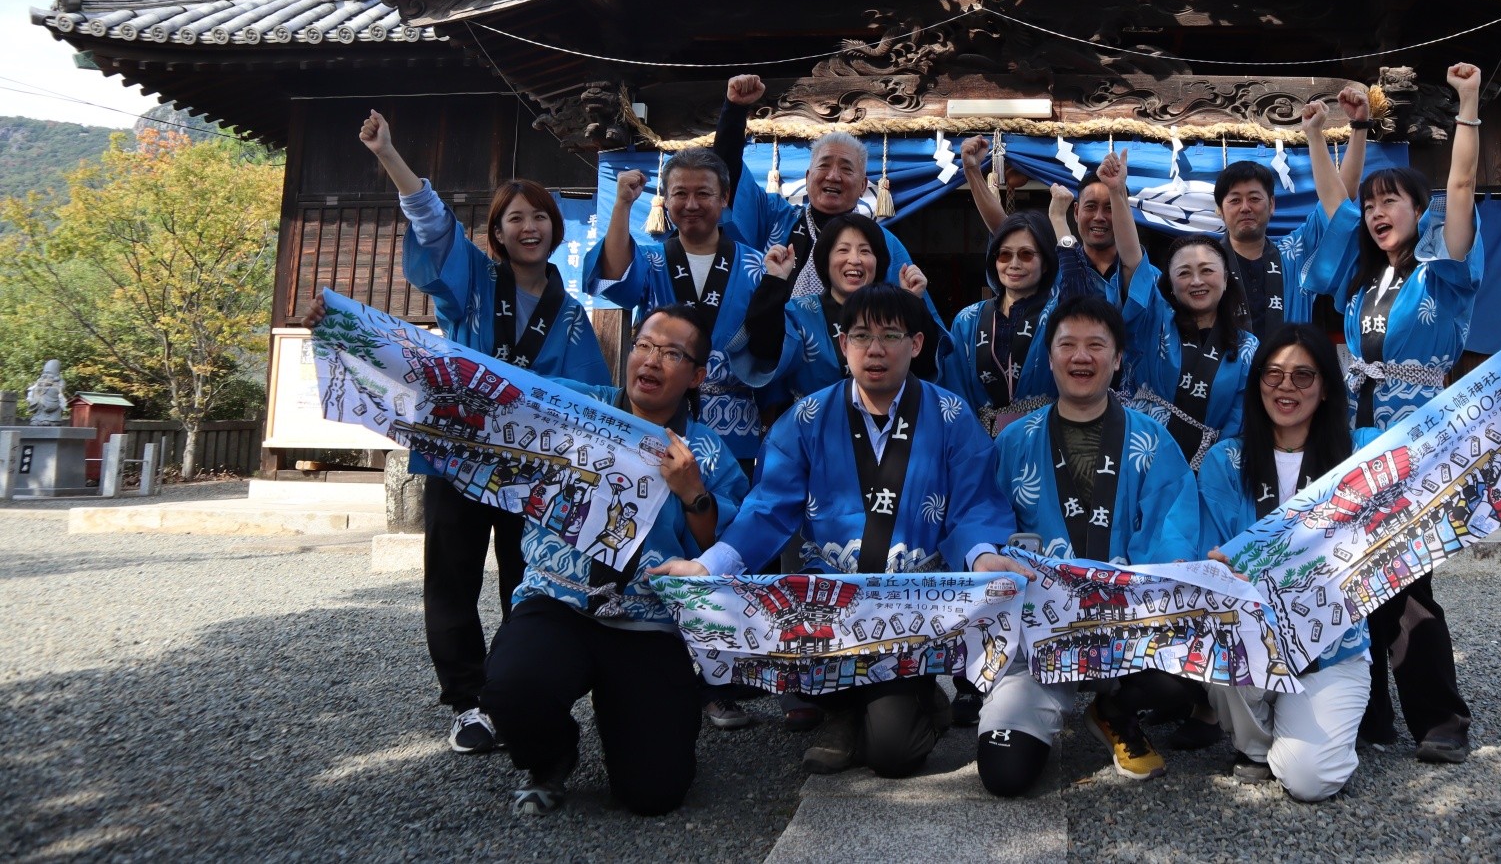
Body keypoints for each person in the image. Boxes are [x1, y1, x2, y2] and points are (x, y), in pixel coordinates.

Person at [657, 284, 1019, 779]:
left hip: (912, 613)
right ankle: (843, 713)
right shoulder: (805, 419)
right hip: (829, 603)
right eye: (861, 335)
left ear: (915, 344)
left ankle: (919, 701)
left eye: (891, 335)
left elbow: (973, 504)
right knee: (772, 618)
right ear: (840, 342)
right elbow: (768, 509)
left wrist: (981, 557)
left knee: (894, 755)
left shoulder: (952, 417)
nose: (875, 349)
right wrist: (707, 567)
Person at [1299, 63, 1501, 766]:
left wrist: (1470, 101)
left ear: (1421, 212)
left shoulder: (1442, 268)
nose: (1379, 211)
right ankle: (1371, 713)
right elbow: (1333, 208)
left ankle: (1442, 717)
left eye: (1394, 200)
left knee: (1409, 580)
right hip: (1352, 444)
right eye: (1374, 202)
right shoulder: (1360, 280)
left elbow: (1464, 185)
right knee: (1353, 579)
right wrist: (1322, 136)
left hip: (1416, 446)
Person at [353, 109, 610, 756]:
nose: (529, 226)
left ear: (555, 228)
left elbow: (590, 396)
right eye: (515, 217)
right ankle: (466, 701)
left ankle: (507, 693)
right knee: (452, 579)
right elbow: (430, 221)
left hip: (527, 469)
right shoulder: (470, 280)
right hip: (457, 455)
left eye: (540, 216)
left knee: (527, 578)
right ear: (495, 231)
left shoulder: (573, 316)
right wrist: (389, 152)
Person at [480, 305, 749, 816]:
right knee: (513, 688)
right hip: (557, 602)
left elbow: (724, 548)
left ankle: (640, 721)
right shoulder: (576, 406)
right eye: (644, 346)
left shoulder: (708, 454)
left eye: (671, 354)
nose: (651, 361)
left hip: (646, 625)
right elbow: (491, 390)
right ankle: (551, 756)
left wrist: (693, 493)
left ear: (695, 375)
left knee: (655, 793)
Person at [978, 297, 1199, 795]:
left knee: (1181, 678)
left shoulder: (1153, 440)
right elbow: (986, 528)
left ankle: (1114, 709)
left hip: (1125, 631)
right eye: (1068, 345)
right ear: (1050, 357)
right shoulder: (1014, 443)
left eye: (1096, 345)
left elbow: (1172, 533)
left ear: (1118, 358)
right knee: (1005, 775)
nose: (1082, 357)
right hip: (1038, 639)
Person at [1198, 326, 1369, 800]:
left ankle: (1293, 736)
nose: (1286, 387)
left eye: (1302, 375)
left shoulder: (1360, 453)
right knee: (1218, 627)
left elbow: (1442, 437)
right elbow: (1208, 548)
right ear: (1256, 384)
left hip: (1332, 648)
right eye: (1273, 374)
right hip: (1251, 641)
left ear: (1327, 385)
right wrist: (1215, 567)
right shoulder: (1225, 461)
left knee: (1312, 781)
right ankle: (1255, 746)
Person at [587, 152, 766, 470]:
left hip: (734, 424)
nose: (691, 204)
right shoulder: (652, 260)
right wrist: (622, 204)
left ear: (724, 198)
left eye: (703, 193)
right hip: (658, 420)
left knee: (722, 513)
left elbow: (773, 344)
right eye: (680, 193)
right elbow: (613, 278)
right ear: (665, 200)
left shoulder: (756, 266)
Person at [1101, 148, 1257, 462]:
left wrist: (1214, 468)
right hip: (1139, 457)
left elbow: (1239, 422)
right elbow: (1132, 261)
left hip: (1208, 467)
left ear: (1226, 279)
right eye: (1184, 273)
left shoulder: (1248, 347)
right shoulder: (1156, 319)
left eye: (1207, 271)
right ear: (1170, 284)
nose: (1196, 281)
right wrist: (1118, 193)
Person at [712, 76, 912, 296]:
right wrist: (735, 111)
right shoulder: (774, 218)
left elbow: (910, 312)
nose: (833, 176)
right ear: (807, 178)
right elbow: (727, 176)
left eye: (846, 169)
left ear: (863, 185)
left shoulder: (882, 242)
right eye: (824, 166)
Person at [735, 213, 946, 406]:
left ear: (878, 262)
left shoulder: (897, 312)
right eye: (843, 250)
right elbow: (762, 347)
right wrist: (775, 280)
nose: (854, 260)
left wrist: (913, 304)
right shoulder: (800, 313)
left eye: (865, 251)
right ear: (825, 261)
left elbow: (925, 367)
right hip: (814, 432)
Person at [1211, 91, 1371, 341]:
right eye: (1234, 200)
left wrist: (1357, 127)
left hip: (1287, 377)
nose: (1245, 207)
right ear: (1219, 209)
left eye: (1254, 198)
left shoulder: (1295, 253)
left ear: (1272, 204)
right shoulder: (1206, 263)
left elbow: (1339, 204)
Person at [940, 190, 1101, 435]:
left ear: (1045, 262)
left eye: (1026, 255)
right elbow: (954, 393)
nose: (1014, 264)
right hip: (983, 448)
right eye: (1005, 255)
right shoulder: (967, 320)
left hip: (1048, 441)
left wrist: (1058, 217)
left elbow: (1081, 292)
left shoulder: (1058, 313)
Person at [961, 137, 1128, 306]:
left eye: (1110, 208)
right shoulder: (1052, 266)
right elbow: (1003, 229)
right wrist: (972, 171)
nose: (1099, 217)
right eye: (1091, 206)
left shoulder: (1144, 274)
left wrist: (1058, 218)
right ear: (1077, 211)